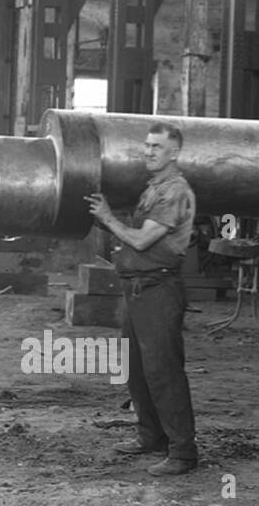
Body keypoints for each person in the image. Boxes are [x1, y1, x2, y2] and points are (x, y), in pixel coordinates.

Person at [85, 122, 198, 477]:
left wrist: (107, 218)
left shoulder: (175, 192)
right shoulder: (154, 188)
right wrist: (103, 220)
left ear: (174, 153)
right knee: (135, 369)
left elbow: (142, 241)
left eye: (157, 147)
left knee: (163, 372)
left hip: (159, 291)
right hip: (137, 290)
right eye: (147, 146)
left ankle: (183, 452)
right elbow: (132, 235)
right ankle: (152, 436)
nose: (148, 152)